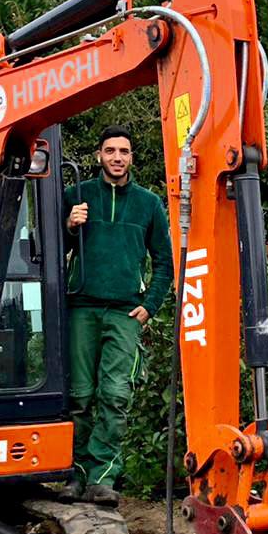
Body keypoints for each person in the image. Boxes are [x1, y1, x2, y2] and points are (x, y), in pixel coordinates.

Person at [63, 125, 172, 504]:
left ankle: (103, 476)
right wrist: (68, 226)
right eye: (110, 150)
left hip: (125, 312)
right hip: (81, 308)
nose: (117, 157)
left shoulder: (148, 204)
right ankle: (74, 475)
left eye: (124, 151)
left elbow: (165, 262)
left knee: (114, 395)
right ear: (99, 156)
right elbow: (42, 249)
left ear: (131, 158)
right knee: (78, 396)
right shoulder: (75, 196)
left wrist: (150, 305)